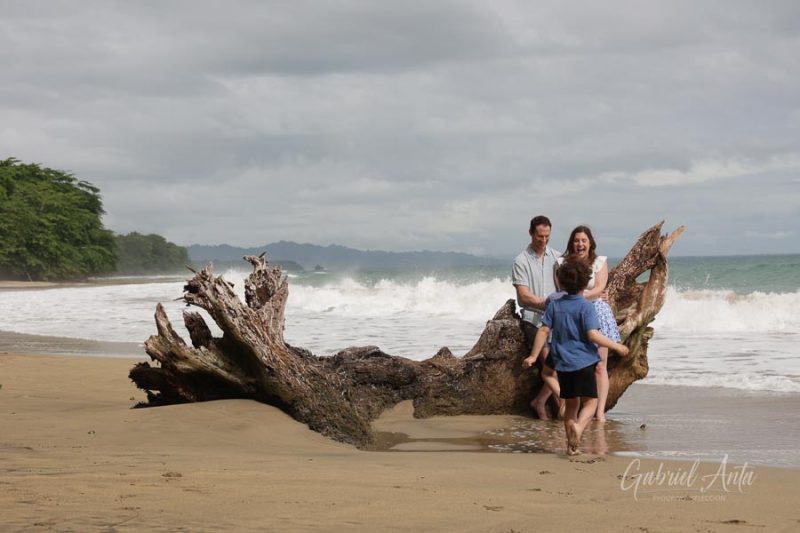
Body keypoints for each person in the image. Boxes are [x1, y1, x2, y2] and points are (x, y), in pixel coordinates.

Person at [522, 256, 629, 455]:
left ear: (560, 281)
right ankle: (578, 428)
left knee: (571, 405)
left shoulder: (555, 305)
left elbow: (544, 331)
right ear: (584, 283)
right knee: (591, 402)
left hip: (563, 363)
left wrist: (534, 356)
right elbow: (593, 334)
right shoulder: (586, 306)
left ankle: (571, 448)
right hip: (585, 362)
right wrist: (616, 346)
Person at [558, 225, 621, 422]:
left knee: (600, 366)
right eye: (576, 241)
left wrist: (581, 295)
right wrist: (581, 297)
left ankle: (599, 412)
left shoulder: (599, 262)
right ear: (571, 243)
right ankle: (575, 410)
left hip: (598, 312)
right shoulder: (561, 263)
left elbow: (601, 287)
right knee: (577, 364)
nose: (580, 244)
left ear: (590, 243)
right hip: (572, 314)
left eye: (584, 240)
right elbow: (560, 287)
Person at [512, 215, 561, 419]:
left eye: (547, 237)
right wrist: (548, 302)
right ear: (531, 233)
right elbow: (523, 297)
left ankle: (541, 401)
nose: (543, 241)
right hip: (533, 320)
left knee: (563, 366)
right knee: (552, 365)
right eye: (539, 236)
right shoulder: (521, 260)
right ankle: (564, 408)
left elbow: (570, 285)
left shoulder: (558, 257)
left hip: (557, 321)